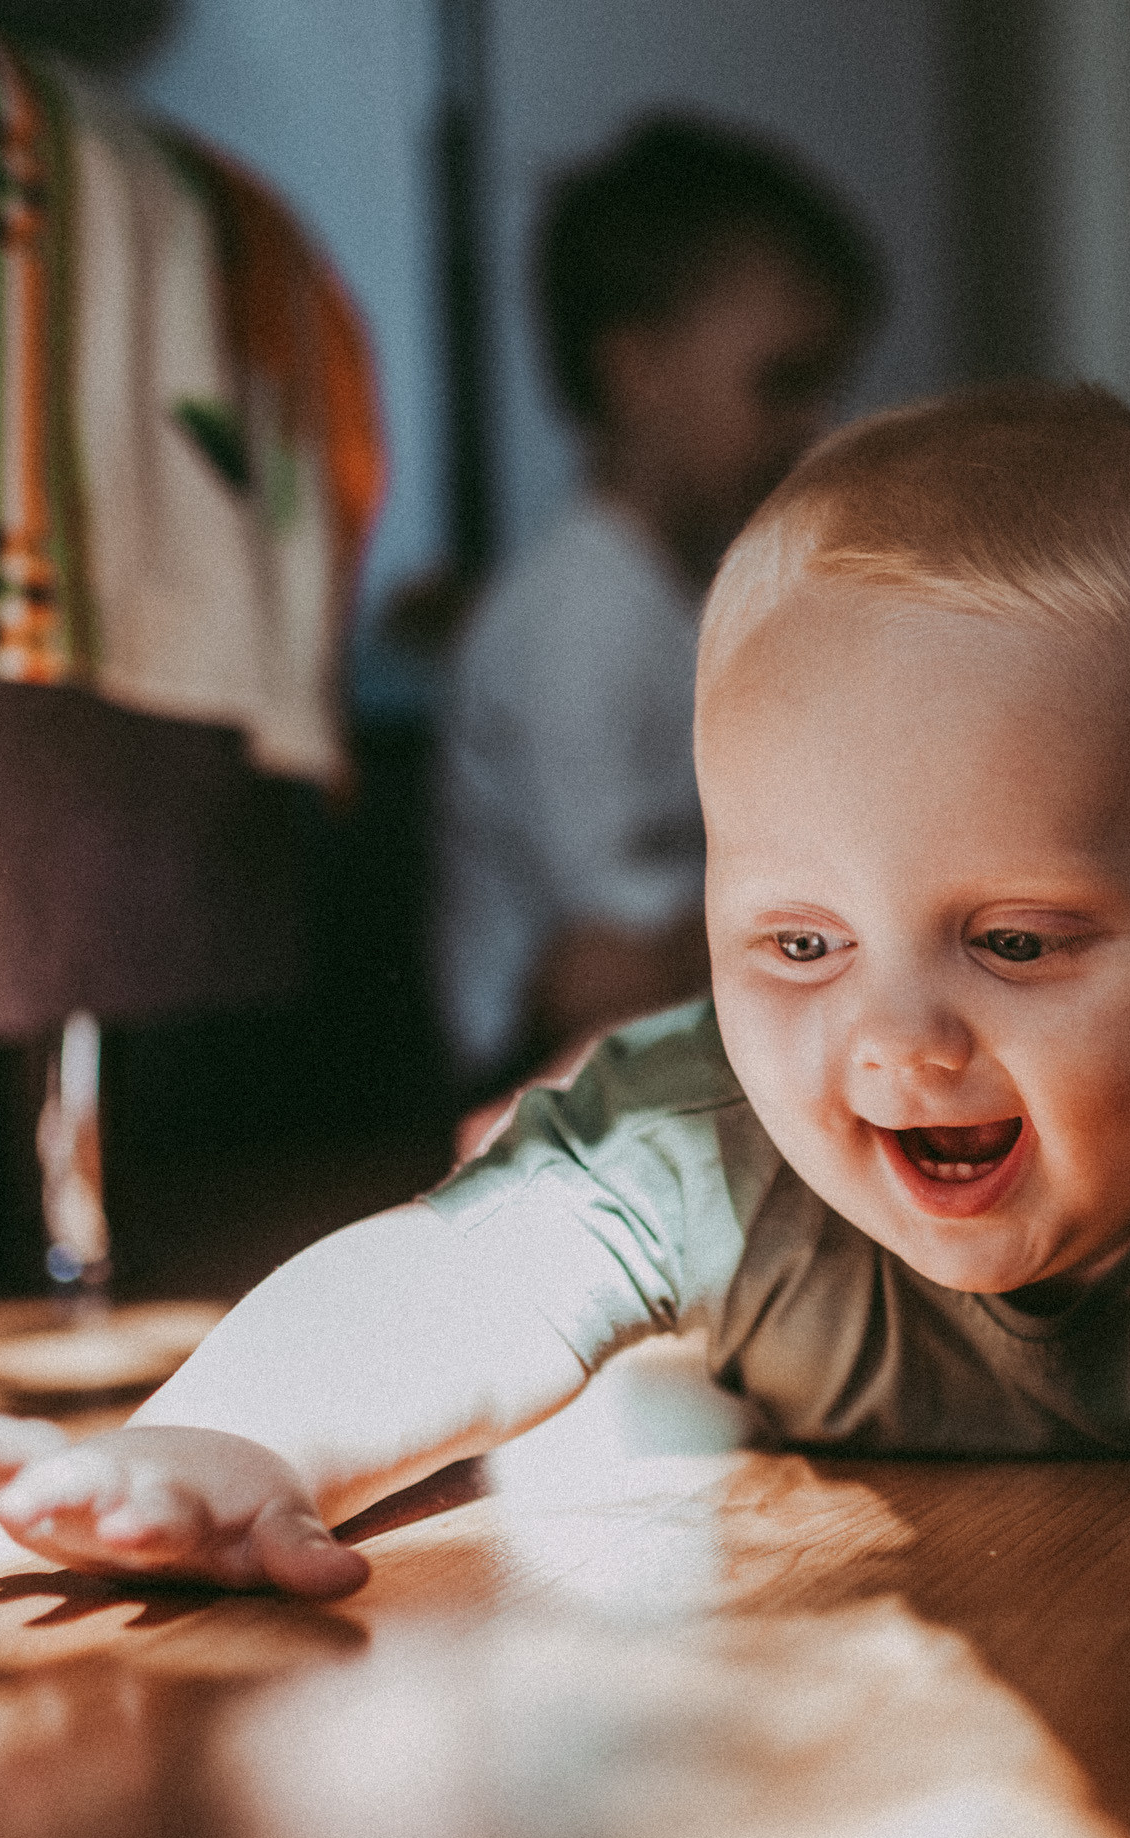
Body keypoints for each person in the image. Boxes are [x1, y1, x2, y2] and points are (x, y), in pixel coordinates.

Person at [0, 387, 1130, 1599]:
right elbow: (440, 1279)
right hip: (645, 1105)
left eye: (1016, 943)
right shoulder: (715, 1133)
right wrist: (229, 1437)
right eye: (797, 942)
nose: (899, 1039)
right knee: (558, 1164)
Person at [438, 116, 882, 1111]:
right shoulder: (574, 612)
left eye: (827, 388)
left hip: (682, 973)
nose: (818, 428)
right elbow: (608, 933)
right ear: (635, 374)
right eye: (782, 384)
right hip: (533, 1037)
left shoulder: (709, 591)